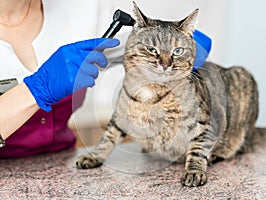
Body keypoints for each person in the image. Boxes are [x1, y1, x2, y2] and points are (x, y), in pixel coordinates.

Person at [0, 0, 211, 158]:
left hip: (60, 164)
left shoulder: (85, 8)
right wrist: (36, 90)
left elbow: (136, 45)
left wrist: (176, 50)